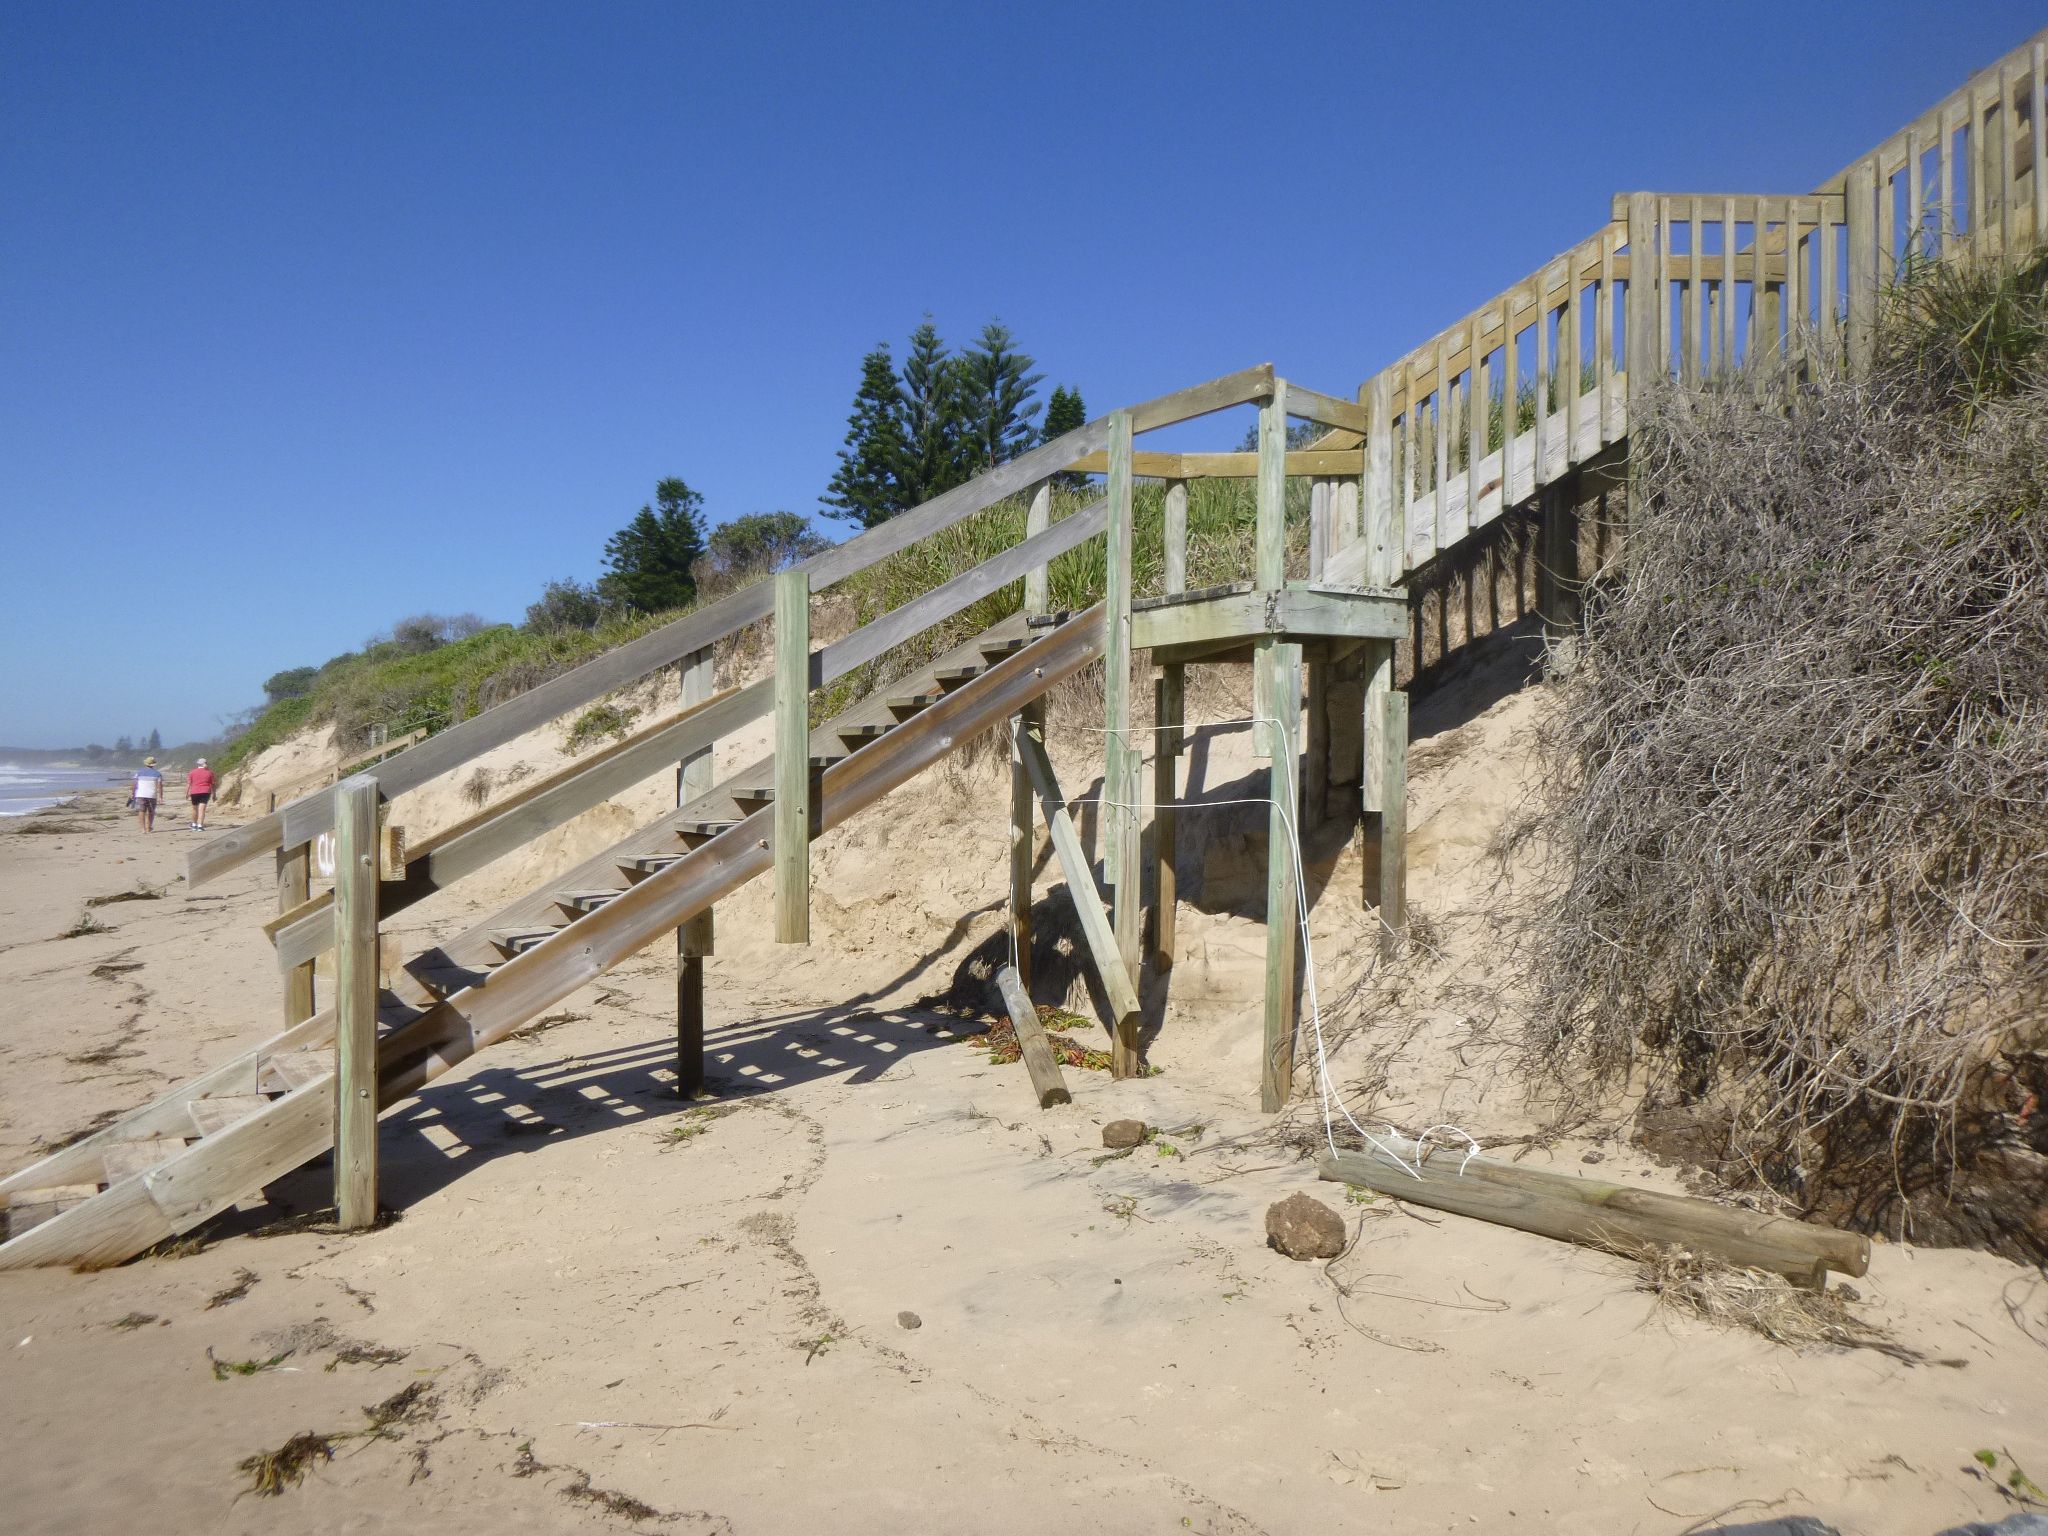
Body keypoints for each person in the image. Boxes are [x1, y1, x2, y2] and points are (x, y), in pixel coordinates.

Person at [132, 756, 164, 833]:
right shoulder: (157, 774)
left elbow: (135, 784)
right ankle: (148, 827)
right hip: (152, 795)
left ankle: (143, 829)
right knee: (151, 811)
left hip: (140, 794)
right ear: (154, 765)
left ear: (146, 764)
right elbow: (160, 786)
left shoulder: (139, 772)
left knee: (141, 811)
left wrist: (133, 793)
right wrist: (160, 797)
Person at [186, 757, 215, 830]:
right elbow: (213, 784)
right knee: (202, 809)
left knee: (194, 809)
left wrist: (187, 793)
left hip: (194, 792)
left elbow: (189, 784)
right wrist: (214, 794)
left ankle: (194, 824)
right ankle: (200, 826)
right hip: (205, 791)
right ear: (204, 764)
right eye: (206, 763)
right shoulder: (210, 772)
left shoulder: (192, 772)